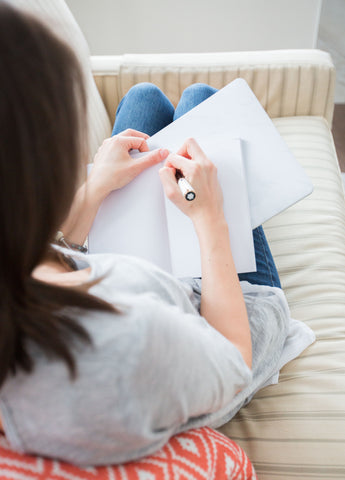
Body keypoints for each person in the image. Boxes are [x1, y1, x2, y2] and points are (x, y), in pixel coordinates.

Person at [0, 3, 315, 467]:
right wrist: (210, 218)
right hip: (229, 314)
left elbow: (47, 256)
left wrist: (95, 189)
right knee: (200, 102)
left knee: (144, 99)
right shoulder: (131, 342)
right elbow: (232, 362)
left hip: (131, 278)